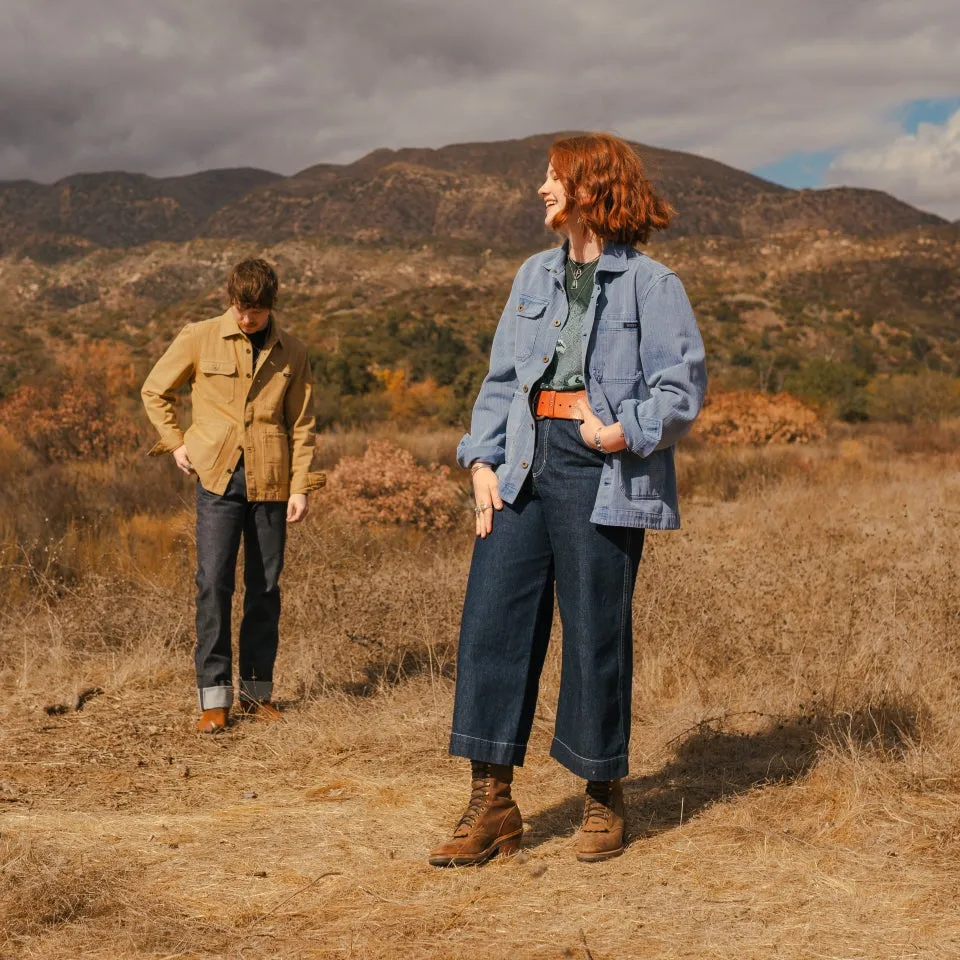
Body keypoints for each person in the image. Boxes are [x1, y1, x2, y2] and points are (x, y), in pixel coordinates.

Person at [429, 134, 707, 866]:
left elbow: (681, 389)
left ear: (591, 189)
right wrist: (481, 462)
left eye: (554, 179)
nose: (542, 189)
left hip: (600, 468)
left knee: (595, 632)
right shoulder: (530, 276)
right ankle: (491, 804)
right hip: (521, 463)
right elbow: (499, 380)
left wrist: (623, 431)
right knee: (492, 623)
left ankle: (602, 792)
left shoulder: (653, 285)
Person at [141, 258, 322, 734]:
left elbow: (301, 423)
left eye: (257, 312)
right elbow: (154, 390)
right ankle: (214, 700)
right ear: (231, 301)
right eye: (242, 310)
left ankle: (257, 695)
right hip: (218, 478)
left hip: (273, 481)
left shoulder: (293, 351)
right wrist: (177, 442)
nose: (248, 320)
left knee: (264, 588)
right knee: (214, 584)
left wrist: (300, 485)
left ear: (272, 306)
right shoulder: (198, 336)